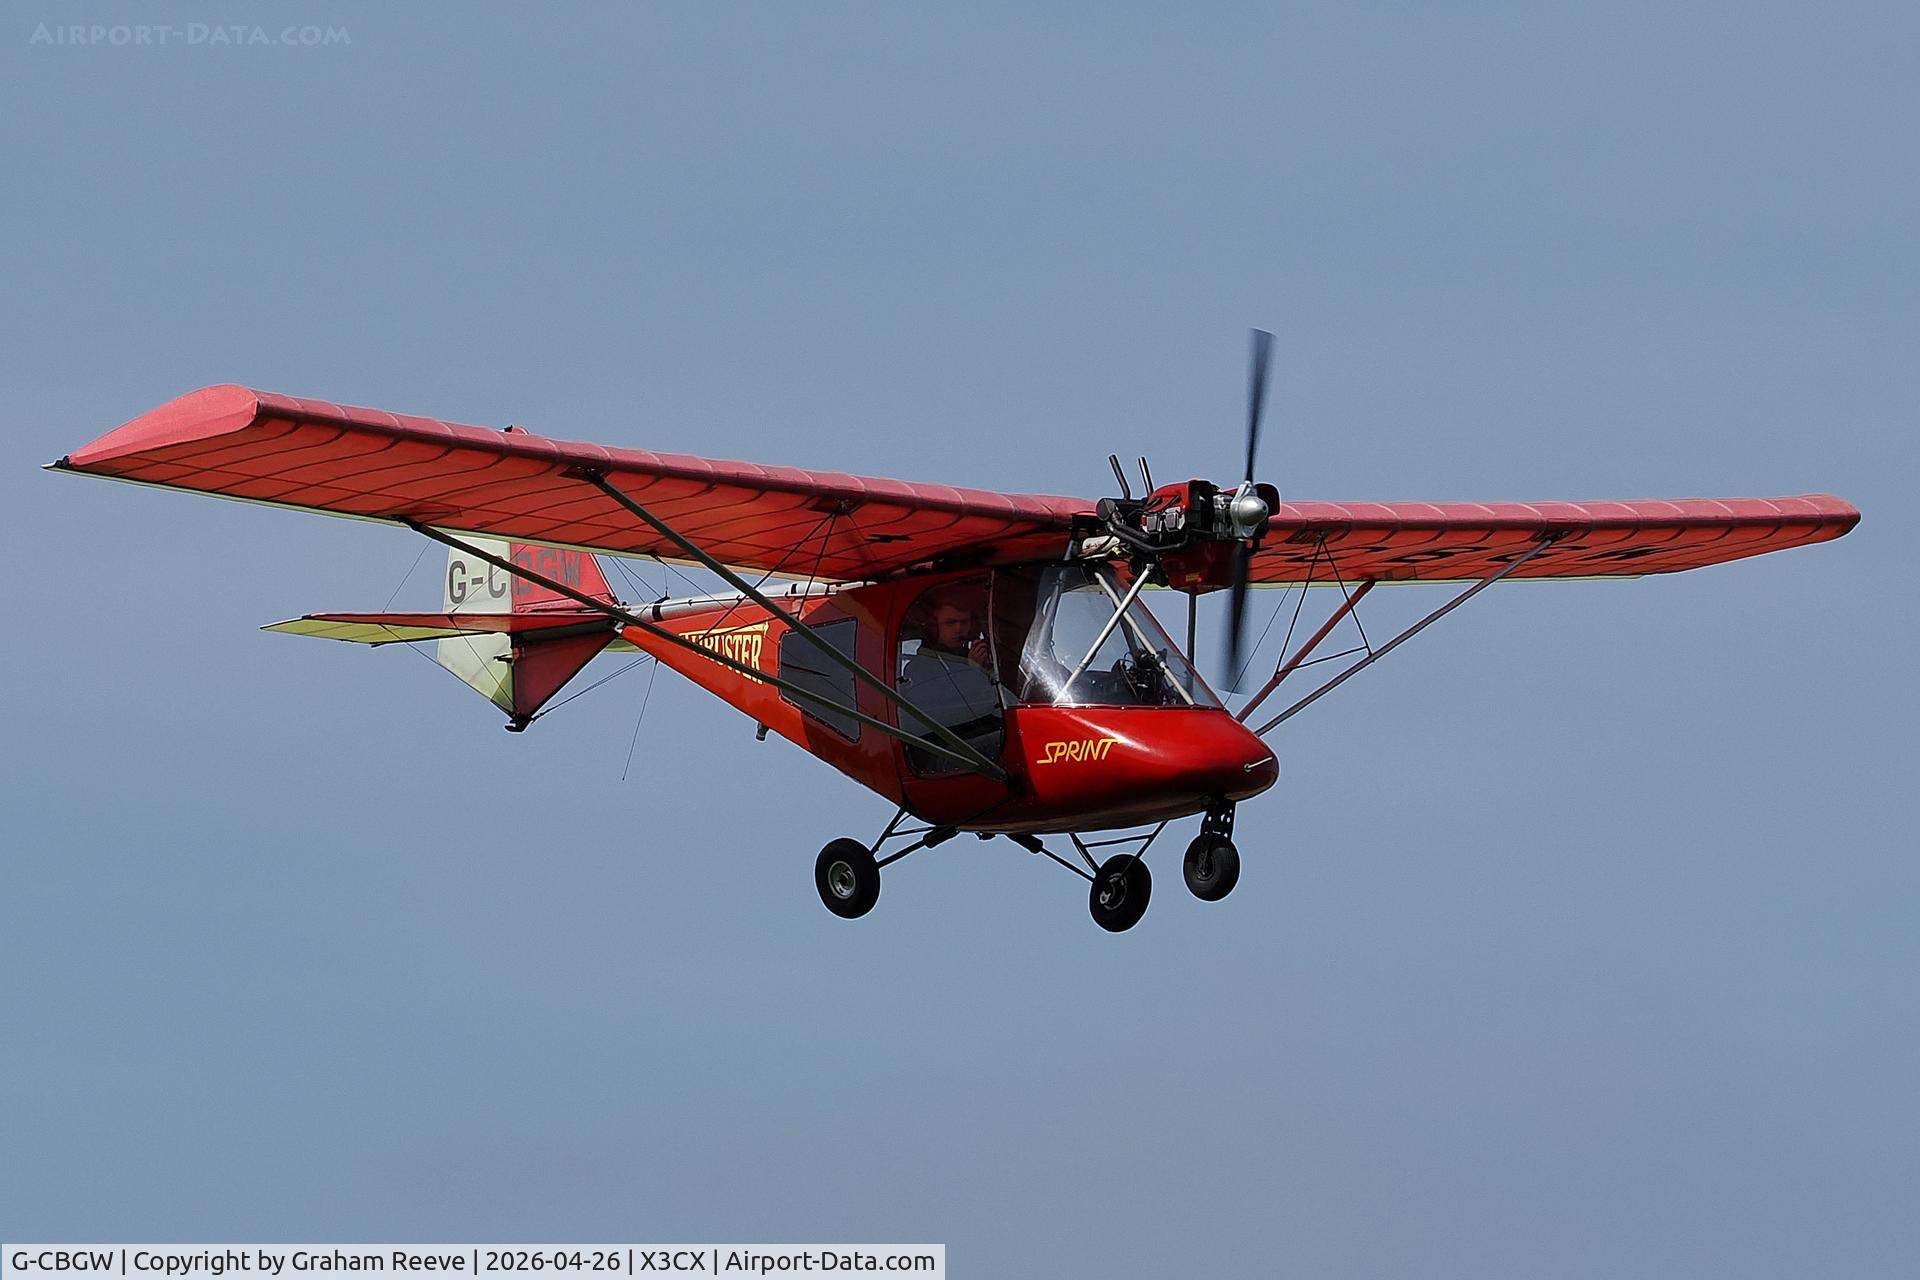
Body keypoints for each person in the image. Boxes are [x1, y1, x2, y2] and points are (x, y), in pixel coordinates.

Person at [899, 590, 1002, 767]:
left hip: (972, 741)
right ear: (934, 626)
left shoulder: (971, 659)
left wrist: (989, 671)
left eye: (964, 622)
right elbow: (964, 708)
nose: (959, 629)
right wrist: (975, 672)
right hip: (939, 752)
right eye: (950, 623)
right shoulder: (920, 668)